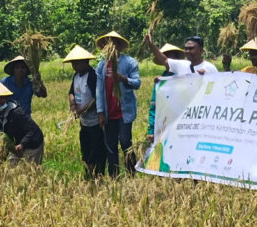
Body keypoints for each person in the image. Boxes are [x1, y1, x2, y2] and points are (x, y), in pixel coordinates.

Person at [95, 31, 141, 177]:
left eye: (114, 43)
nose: (112, 46)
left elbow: (137, 83)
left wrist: (123, 79)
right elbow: (99, 91)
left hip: (124, 111)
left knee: (126, 142)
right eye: (108, 43)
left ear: (120, 46)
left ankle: (131, 173)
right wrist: (100, 112)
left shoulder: (129, 63)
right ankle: (113, 175)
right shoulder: (101, 66)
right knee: (110, 144)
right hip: (109, 112)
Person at [0, 80, 45, 166]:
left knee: (30, 171)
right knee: (11, 170)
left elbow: (31, 130)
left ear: (6, 98)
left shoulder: (16, 112)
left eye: (1, 98)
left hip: (33, 143)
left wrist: (23, 143)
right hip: (17, 143)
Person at [64, 45, 105, 178]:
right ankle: (88, 173)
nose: (75, 66)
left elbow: (96, 98)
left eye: (77, 63)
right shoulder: (76, 76)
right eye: (73, 63)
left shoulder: (92, 76)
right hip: (84, 122)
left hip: (95, 122)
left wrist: (83, 109)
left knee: (96, 150)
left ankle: (98, 175)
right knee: (86, 150)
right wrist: (73, 105)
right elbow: (71, 92)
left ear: (86, 62)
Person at [145, 43, 187, 142]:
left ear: (176, 57)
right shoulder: (161, 82)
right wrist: (151, 129)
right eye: (165, 55)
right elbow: (154, 106)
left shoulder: (186, 75)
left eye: (170, 55)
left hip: (183, 124)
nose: (166, 58)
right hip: (164, 124)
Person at [144, 34, 218, 75]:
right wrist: (151, 44)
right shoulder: (181, 65)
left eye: (191, 48)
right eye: (186, 48)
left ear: (201, 50)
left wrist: (206, 77)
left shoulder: (210, 68)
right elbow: (164, 60)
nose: (188, 51)